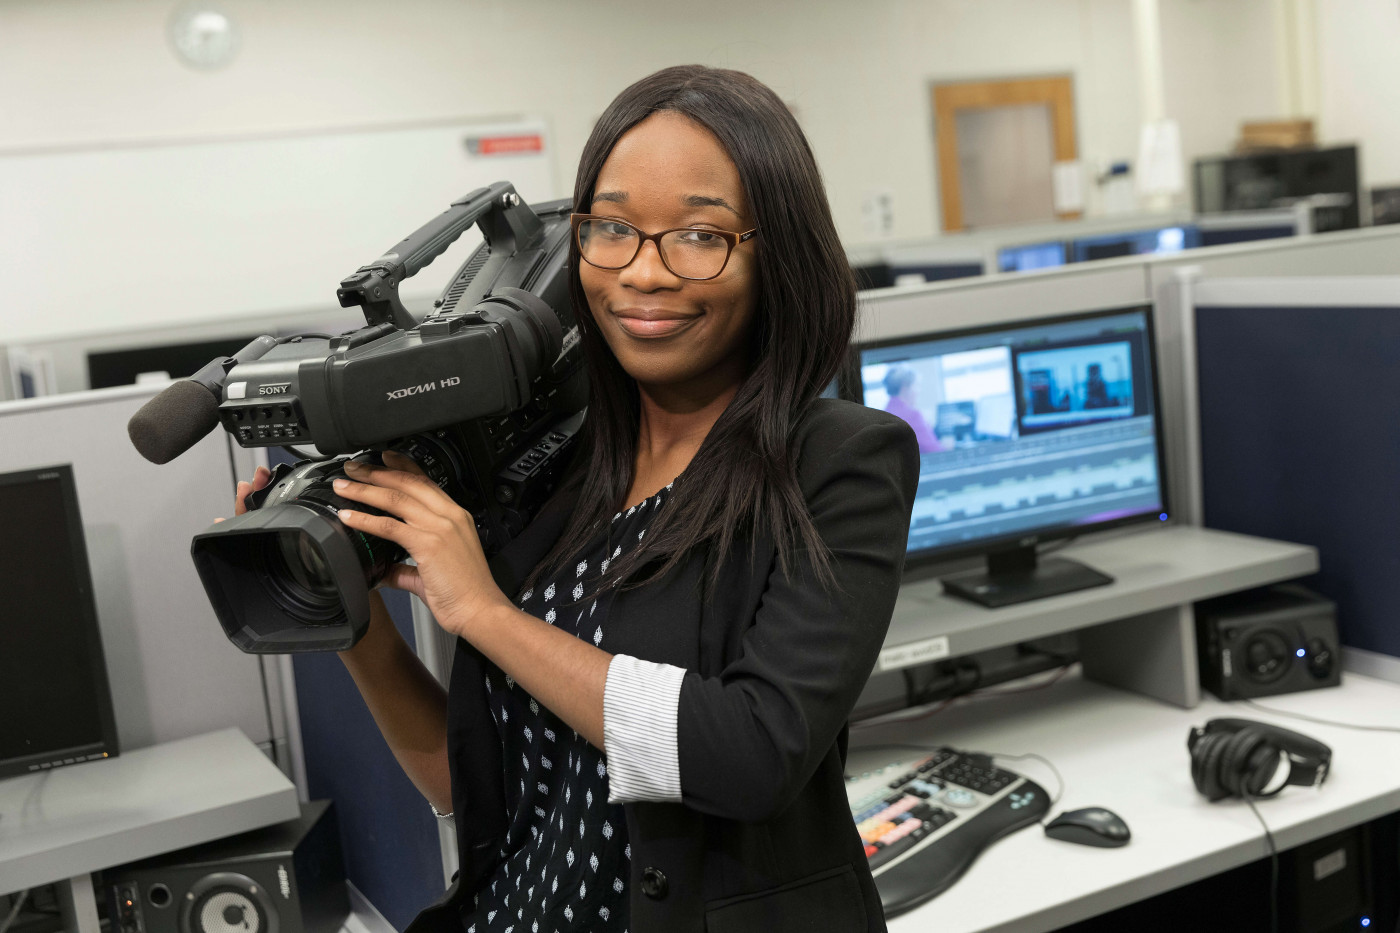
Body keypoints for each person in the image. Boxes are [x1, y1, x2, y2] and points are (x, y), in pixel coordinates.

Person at [235, 65, 918, 933]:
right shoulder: (558, 459)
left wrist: (482, 610)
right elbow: (473, 784)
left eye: (698, 236)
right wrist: (352, 612)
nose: (643, 272)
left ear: (774, 253)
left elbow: (753, 756)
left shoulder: (840, 464)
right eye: (613, 228)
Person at [882, 366, 945, 453]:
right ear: (905, 388)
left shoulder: (884, 413)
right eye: (917, 385)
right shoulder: (912, 415)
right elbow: (934, 450)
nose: (919, 391)